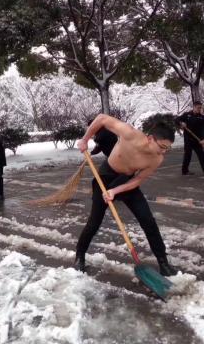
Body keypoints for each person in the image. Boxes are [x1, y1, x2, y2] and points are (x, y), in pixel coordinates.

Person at [75, 114, 177, 277]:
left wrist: (116, 191)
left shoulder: (156, 159)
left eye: (168, 148)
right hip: (105, 177)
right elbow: (101, 118)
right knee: (94, 222)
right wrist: (85, 139)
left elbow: (138, 180)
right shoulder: (130, 134)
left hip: (126, 182)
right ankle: (79, 256)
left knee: (148, 221)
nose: (164, 152)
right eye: (163, 146)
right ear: (150, 139)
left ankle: (163, 263)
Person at [175, 101, 204, 175]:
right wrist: (181, 123)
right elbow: (177, 119)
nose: (199, 109)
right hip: (188, 140)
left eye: (200, 108)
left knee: (202, 156)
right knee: (187, 156)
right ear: (194, 107)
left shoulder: (201, 117)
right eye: (198, 108)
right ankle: (185, 171)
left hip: (198, 140)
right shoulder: (187, 115)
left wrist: (203, 139)